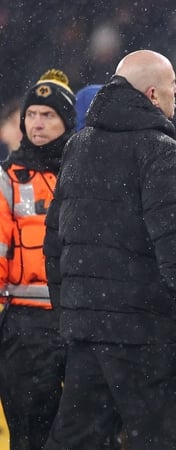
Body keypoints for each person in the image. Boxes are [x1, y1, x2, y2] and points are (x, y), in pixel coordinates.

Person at [42, 50, 176, 450]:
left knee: (76, 440)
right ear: (152, 94)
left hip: (85, 331)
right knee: (164, 439)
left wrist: (69, 316)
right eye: (171, 84)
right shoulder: (164, 153)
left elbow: (54, 243)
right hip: (141, 332)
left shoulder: (78, 147)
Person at [0, 69, 74, 450]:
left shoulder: (83, 177)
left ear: (67, 121)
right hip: (25, 325)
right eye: (31, 114)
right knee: (29, 436)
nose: (37, 123)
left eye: (48, 114)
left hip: (79, 322)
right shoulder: (8, 179)